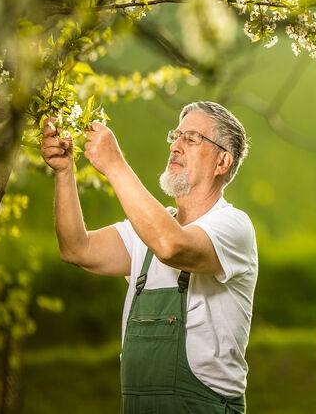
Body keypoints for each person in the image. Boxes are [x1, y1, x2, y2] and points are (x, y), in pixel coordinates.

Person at [41, 100, 257, 413]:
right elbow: (77, 249)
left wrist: (115, 165)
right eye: (176, 136)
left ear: (222, 162)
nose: (176, 146)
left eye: (192, 138)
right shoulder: (147, 230)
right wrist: (64, 172)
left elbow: (172, 246)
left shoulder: (233, 226)